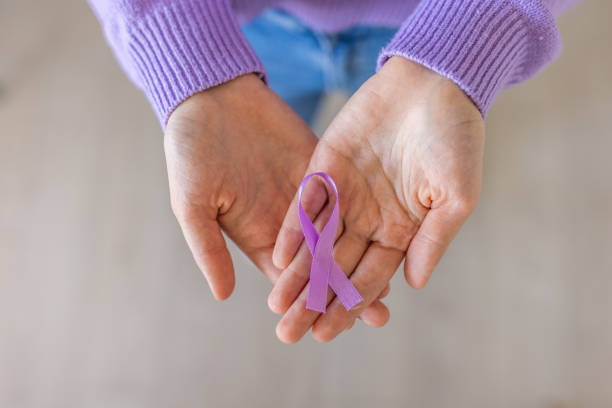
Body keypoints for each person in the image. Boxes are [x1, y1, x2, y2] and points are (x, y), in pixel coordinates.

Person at [89, 0, 579, 343]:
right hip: (235, 31)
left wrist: (469, 38)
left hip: (437, 24)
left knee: (412, 152)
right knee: (274, 134)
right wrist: (188, 60)